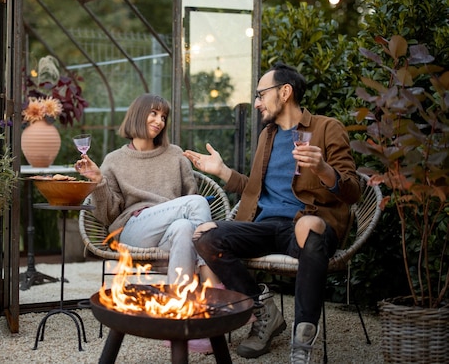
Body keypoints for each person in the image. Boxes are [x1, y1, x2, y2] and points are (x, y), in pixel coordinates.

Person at [184, 62, 361, 363]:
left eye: (260, 94)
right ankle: (263, 310)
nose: (256, 103)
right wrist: (223, 171)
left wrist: (322, 169)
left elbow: (353, 190)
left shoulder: (327, 127)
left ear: (285, 92)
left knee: (309, 226)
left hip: (306, 225)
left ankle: (302, 340)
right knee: (205, 236)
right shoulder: (268, 135)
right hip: (264, 227)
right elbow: (254, 189)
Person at [75, 93, 218, 287]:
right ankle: (209, 278)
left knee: (184, 227)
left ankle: (179, 301)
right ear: (138, 114)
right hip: (133, 230)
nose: (159, 121)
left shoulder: (175, 154)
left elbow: (189, 200)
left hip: (170, 230)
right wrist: (99, 181)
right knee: (197, 203)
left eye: (163, 117)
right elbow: (106, 217)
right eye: (154, 113)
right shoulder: (114, 160)